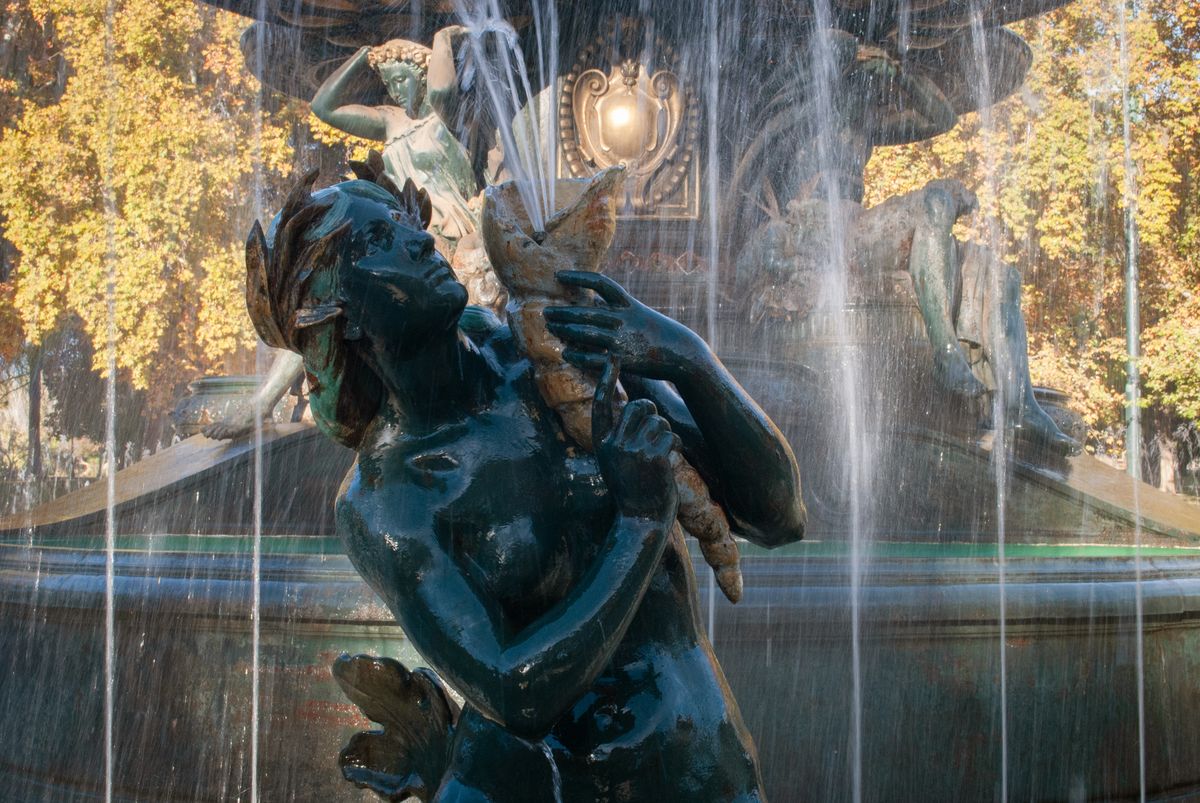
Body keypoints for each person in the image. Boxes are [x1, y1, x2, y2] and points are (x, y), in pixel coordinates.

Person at [245, 168, 806, 800]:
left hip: (688, 765)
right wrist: (640, 524)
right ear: (339, 316)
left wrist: (685, 356)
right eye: (380, 242)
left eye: (408, 224)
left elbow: (779, 518)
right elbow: (514, 692)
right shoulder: (389, 501)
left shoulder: (549, 350)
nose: (422, 241)